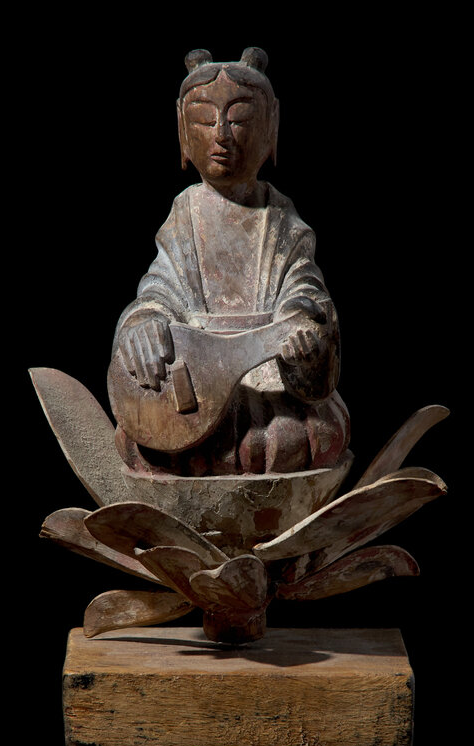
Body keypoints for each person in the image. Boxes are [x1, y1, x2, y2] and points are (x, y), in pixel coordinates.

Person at [110, 48, 349, 476]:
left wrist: (299, 327)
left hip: (266, 384)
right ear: (183, 131)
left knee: (303, 434)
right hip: (192, 383)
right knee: (141, 435)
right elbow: (159, 289)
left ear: (271, 127)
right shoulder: (185, 214)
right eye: (205, 121)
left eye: (239, 120)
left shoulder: (280, 219)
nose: (221, 135)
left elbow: (304, 289)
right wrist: (144, 324)